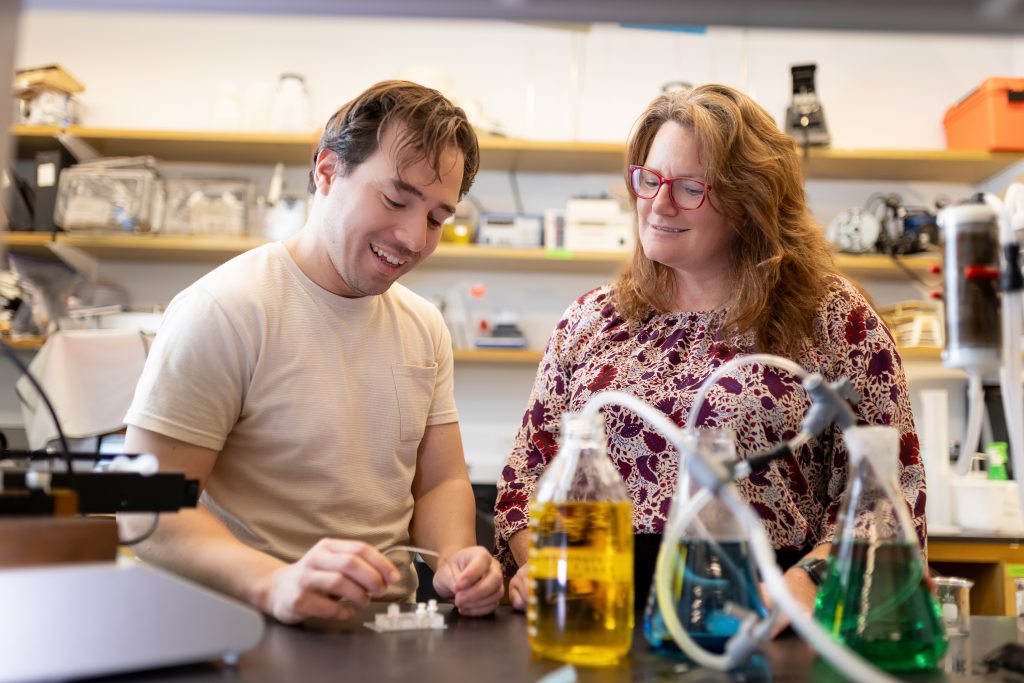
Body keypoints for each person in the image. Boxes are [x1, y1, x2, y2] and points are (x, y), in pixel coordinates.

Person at [494, 83, 926, 623]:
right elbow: (524, 481)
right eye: (649, 180)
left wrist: (804, 587)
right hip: (596, 618)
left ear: (751, 203)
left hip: (761, 620)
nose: (658, 203)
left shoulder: (834, 318)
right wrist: (548, 570)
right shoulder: (591, 321)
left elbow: (889, 490)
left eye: (690, 187)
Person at [122, 81, 503, 624]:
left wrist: (457, 558)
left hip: (385, 635)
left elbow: (440, 480)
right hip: (248, 631)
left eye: (437, 218)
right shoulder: (226, 309)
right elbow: (145, 509)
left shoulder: (424, 325)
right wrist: (273, 583)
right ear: (327, 171)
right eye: (395, 199)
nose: (414, 238)